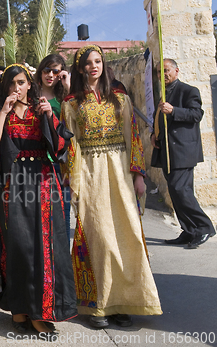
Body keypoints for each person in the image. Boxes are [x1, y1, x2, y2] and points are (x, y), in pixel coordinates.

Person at [62, 44, 162, 328]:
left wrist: (139, 175)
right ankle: (99, 306)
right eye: (88, 63)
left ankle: (125, 301)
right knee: (100, 238)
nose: (94, 66)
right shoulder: (72, 103)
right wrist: (73, 179)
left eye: (98, 61)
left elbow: (133, 137)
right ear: (80, 69)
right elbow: (72, 145)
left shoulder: (120, 98)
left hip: (120, 174)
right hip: (91, 174)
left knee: (126, 236)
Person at [0, 64, 77, 334]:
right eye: (11, 83)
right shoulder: (2, 113)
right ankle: (20, 309)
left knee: (45, 246)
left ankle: (40, 310)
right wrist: (2, 111)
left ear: (29, 84)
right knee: (19, 245)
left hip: (44, 181)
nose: (16, 88)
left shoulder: (41, 107)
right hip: (14, 183)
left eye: (21, 82)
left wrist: (49, 117)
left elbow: (59, 146)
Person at [151, 59, 216, 248]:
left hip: (182, 151)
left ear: (176, 71)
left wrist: (174, 111)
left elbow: (196, 114)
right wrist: (153, 136)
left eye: (166, 70)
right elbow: (158, 120)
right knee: (175, 193)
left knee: (182, 191)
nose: (162, 75)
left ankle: (204, 228)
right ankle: (189, 231)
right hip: (166, 151)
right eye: (159, 72)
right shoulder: (161, 94)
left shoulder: (189, 91)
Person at [36, 54, 72, 241]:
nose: (50, 75)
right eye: (47, 70)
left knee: (62, 215)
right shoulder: (31, 94)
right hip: (36, 161)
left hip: (60, 163)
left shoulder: (64, 97)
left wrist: (68, 86)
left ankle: (62, 265)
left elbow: (76, 121)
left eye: (56, 71)